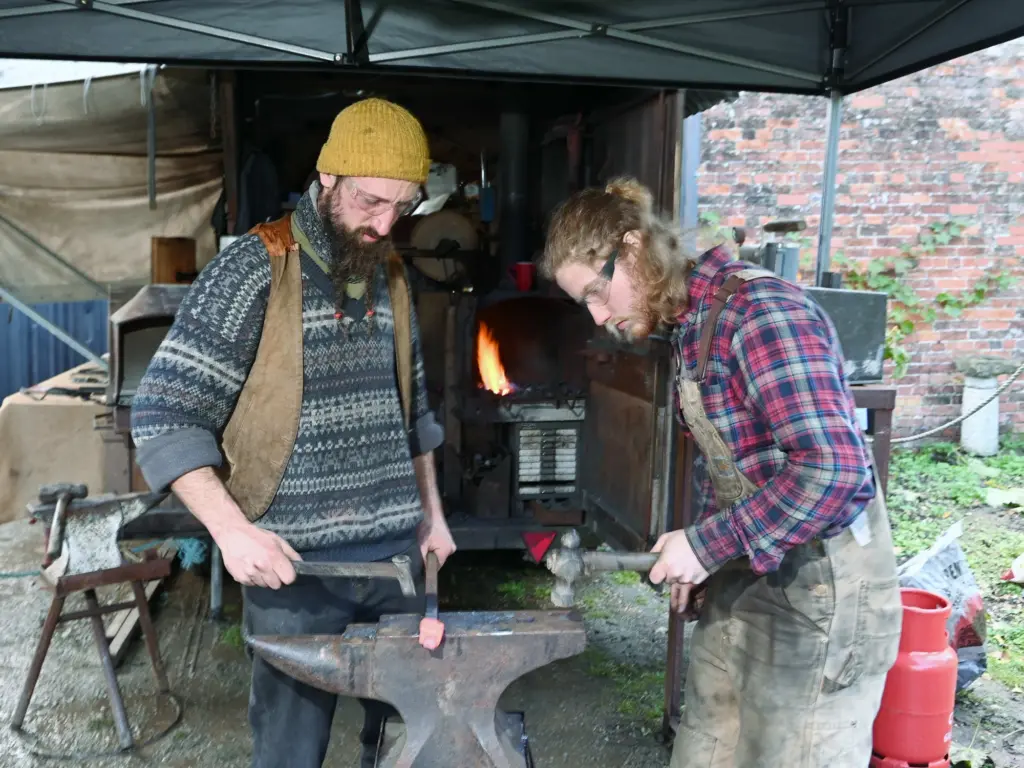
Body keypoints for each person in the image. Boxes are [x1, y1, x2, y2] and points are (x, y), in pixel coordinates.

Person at [130, 97, 456, 768]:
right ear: (327, 178)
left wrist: (432, 515)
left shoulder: (390, 271)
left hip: (395, 559)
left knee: (400, 741)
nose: (386, 223)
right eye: (370, 202)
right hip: (292, 569)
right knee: (290, 752)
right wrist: (230, 529)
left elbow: (414, 411)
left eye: (404, 206)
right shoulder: (253, 267)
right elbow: (164, 412)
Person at [540, 177, 903, 767]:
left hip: (824, 591)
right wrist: (704, 556)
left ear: (631, 249)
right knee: (705, 750)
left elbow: (835, 471)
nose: (600, 316)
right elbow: (735, 461)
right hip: (752, 571)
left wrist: (709, 543)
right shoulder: (693, 323)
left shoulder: (762, 314)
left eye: (596, 294)